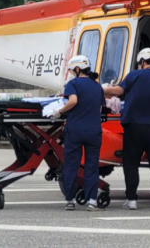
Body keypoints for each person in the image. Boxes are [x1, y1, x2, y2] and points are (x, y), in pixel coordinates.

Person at [104, 48, 150, 210]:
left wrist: (96, 89)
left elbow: (117, 91)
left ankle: (132, 200)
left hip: (134, 127)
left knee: (131, 164)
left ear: (142, 62)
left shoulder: (135, 75)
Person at [53, 55, 105, 211]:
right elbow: (100, 108)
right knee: (92, 166)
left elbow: (73, 101)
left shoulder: (73, 84)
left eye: (71, 70)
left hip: (75, 130)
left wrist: (59, 111)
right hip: (94, 130)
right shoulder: (97, 86)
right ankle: (92, 200)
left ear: (77, 69)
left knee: (71, 165)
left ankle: (70, 200)